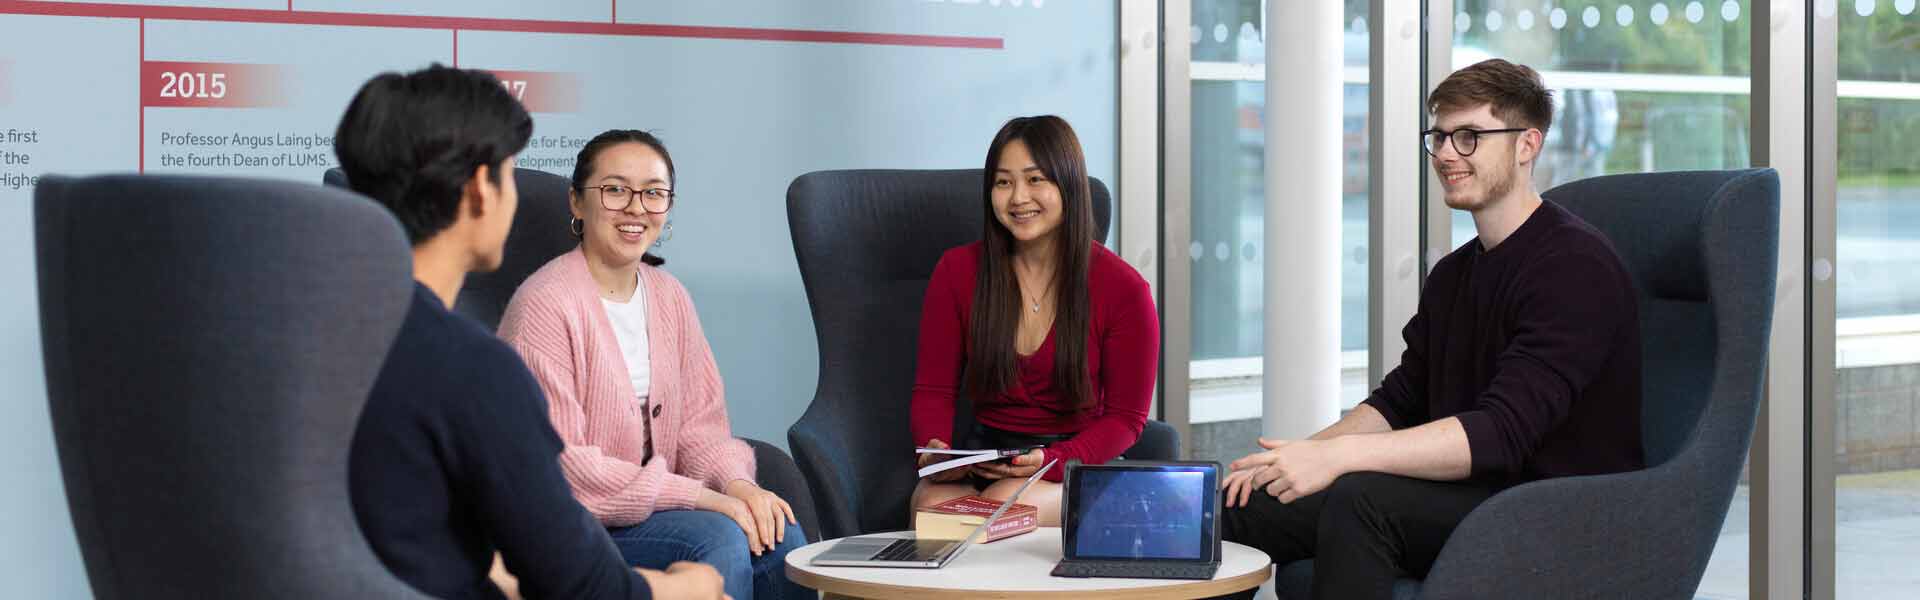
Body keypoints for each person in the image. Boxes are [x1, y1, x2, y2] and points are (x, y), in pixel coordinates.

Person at [1216, 58, 1645, 600]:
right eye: (1439, 136)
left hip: (1552, 509)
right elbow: (1399, 401)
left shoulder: (1575, 267)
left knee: (1362, 499)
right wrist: (1294, 458)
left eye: (1469, 137)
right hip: (1468, 496)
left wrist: (1336, 459)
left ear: (1527, 145)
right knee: (1246, 501)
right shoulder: (1453, 274)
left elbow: (1499, 433)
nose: (1446, 153)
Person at [340, 66, 726, 600]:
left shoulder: (310, 342)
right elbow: (578, 583)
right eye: (509, 173)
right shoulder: (475, 370)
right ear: (481, 190)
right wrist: (690, 590)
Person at [497, 129, 807, 600]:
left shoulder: (669, 297)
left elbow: (701, 430)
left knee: (777, 534)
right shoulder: (545, 305)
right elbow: (563, 468)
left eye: (654, 193)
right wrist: (703, 498)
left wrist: (738, 486)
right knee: (719, 539)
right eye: (616, 190)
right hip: (570, 522)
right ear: (578, 203)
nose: (636, 208)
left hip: (652, 512)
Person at [909, 115, 1160, 526]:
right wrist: (935, 450)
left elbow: (1126, 420)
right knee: (933, 511)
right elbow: (933, 391)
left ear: (1069, 186)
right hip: (985, 454)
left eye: (1035, 179)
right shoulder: (956, 271)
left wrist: (1053, 459)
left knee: (997, 511)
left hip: (1074, 458)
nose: (1018, 198)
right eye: (1003, 182)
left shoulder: (1123, 288)